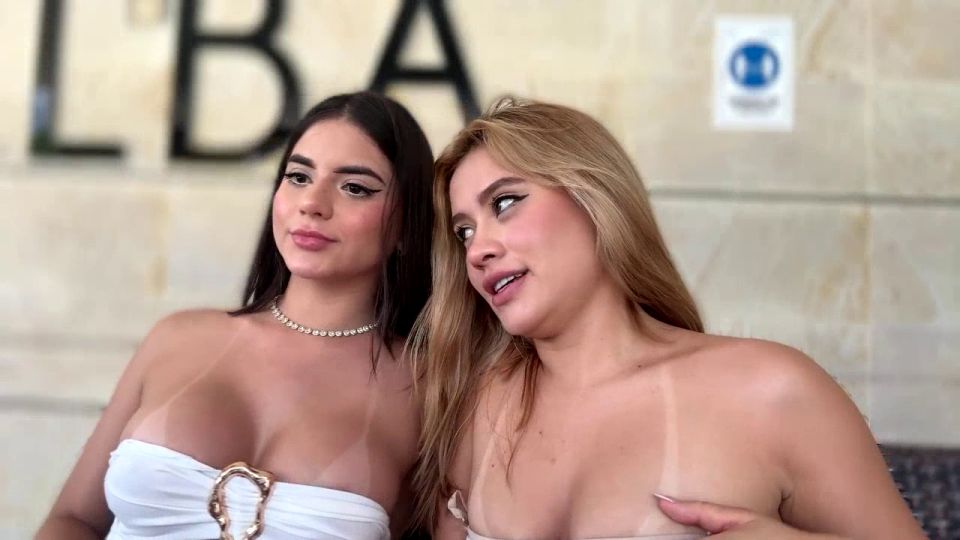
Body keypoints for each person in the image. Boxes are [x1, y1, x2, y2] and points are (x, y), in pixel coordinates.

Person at [410, 98, 925, 539]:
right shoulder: (471, 407)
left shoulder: (773, 394)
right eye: (463, 232)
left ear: (595, 198)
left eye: (505, 203)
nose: (477, 250)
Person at [37, 91, 435, 540]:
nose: (312, 203)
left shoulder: (428, 387)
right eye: (298, 177)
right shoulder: (178, 338)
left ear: (407, 226)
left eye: (354, 188)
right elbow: (74, 520)